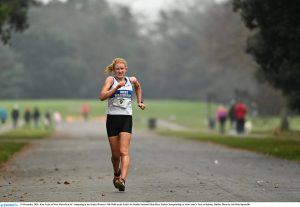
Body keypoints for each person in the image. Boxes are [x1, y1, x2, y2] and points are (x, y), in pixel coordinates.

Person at [99, 57, 145, 192]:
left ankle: (122, 180)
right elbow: (102, 96)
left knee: (124, 151)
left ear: (126, 69)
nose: (120, 71)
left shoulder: (132, 80)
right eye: (117, 69)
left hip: (126, 119)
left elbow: (138, 87)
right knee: (115, 155)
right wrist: (115, 88)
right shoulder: (110, 80)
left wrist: (139, 101)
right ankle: (116, 174)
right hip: (112, 120)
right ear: (114, 70)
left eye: (122, 69)